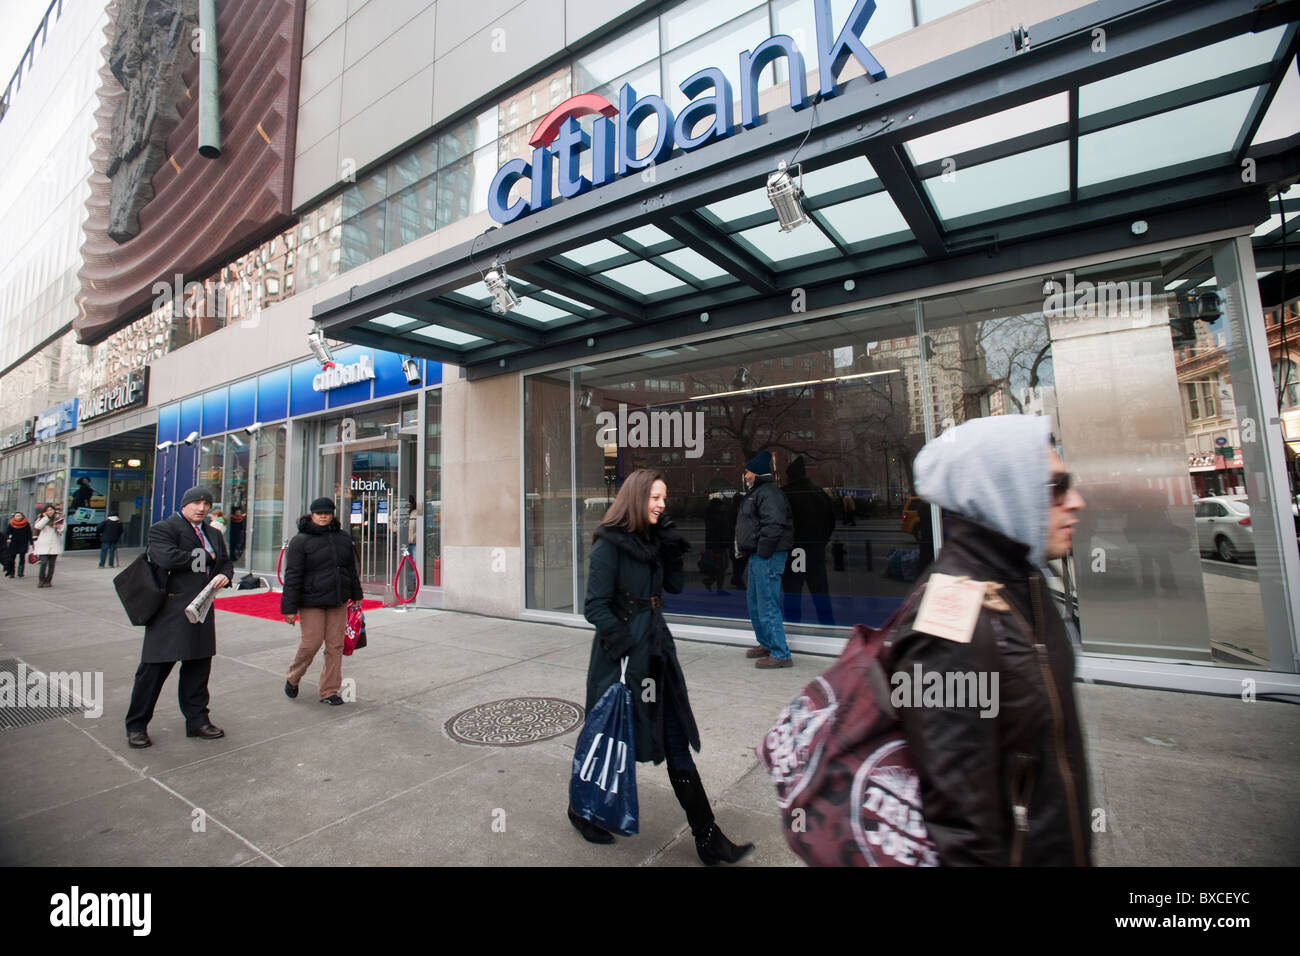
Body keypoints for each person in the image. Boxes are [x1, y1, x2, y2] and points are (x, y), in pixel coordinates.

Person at [889, 415, 1091, 865]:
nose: (1075, 501)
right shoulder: (949, 621)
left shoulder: (1026, 585)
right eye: (1056, 488)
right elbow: (959, 828)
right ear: (1006, 492)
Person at [571, 469, 754, 866]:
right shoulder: (609, 544)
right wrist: (623, 642)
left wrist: (671, 549)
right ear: (637, 498)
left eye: (664, 498)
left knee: (675, 740)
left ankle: (708, 838)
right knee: (609, 740)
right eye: (656, 497)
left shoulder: (653, 539)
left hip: (657, 656)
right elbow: (594, 606)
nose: (662, 504)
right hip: (620, 660)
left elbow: (671, 588)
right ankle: (580, 809)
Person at [123, 486, 232, 748]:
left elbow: (226, 561)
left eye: (206, 503)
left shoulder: (213, 534)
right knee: (153, 671)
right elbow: (167, 558)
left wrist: (225, 574)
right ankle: (136, 725)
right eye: (196, 502)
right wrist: (207, 557)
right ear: (184, 505)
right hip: (169, 611)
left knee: (198, 669)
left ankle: (197, 721)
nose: (202, 508)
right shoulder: (164, 528)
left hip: (202, 609)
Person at [282, 497, 363, 706]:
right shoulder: (300, 541)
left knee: (335, 645)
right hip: (311, 601)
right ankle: (293, 677)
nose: (323, 516)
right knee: (311, 643)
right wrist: (288, 608)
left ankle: (329, 691)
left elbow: (350, 570)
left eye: (327, 512)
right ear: (312, 514)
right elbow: (293, 575)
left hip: (338, 599)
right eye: (319, 513)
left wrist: (356, 595)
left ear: (332, 514)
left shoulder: (343, 538)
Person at [735, 451, 794, 668]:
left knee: (767, 604)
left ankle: (780, 654)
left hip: (767, 556)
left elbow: (774, 524)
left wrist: (763, 551)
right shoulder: (760, 492)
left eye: (748, 471)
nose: (746, 475)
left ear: (757, 472)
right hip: (759, 556)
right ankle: (767, 644)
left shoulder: (769, 493)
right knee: (755, 603)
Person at [781, 456, 837, 625]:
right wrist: (821, 541)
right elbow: (831, 521)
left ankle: (793, 628)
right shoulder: (819, 493)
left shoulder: (784, 495)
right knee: (820, 593)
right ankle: (828, 627)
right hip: (815, 550)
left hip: (793, 552)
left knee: (792, 594)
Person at [33, 504, 64, 588]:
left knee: (51, 564)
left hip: (54, 544)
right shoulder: (41, 518)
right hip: (44, 544)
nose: (50, 511)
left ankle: (48, 581)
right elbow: (37, 526)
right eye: (48, 510)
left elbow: (62, 530)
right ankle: (41, 580)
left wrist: (58, 527)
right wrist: (45, 518)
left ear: (54, 510)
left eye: (51, 510)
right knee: (43, 563)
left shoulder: (59, 518)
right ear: (45, 511)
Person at [3, 511, 31, 578]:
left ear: (22, 516)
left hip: (23, 542)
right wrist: (7, 538)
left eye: (19, 516)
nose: (18, 517)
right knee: (12, 558)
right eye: (16, 516)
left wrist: (31, 542)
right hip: (13, 543)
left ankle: (20, 572)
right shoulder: (11, 524)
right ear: (14, 517)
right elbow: (7, 532)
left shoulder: (26, 524)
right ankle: (12, 573)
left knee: (22, 557)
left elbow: (29, 533)